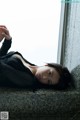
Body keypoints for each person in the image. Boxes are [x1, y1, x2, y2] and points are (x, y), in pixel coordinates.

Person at [0, 25, 72, 90]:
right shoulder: (31, 66)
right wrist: (7, 42)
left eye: (48, 81)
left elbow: (2, 69)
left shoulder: (28, 80)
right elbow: (2, 59)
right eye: (49, 73)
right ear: (48, 65)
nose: (44, 78)